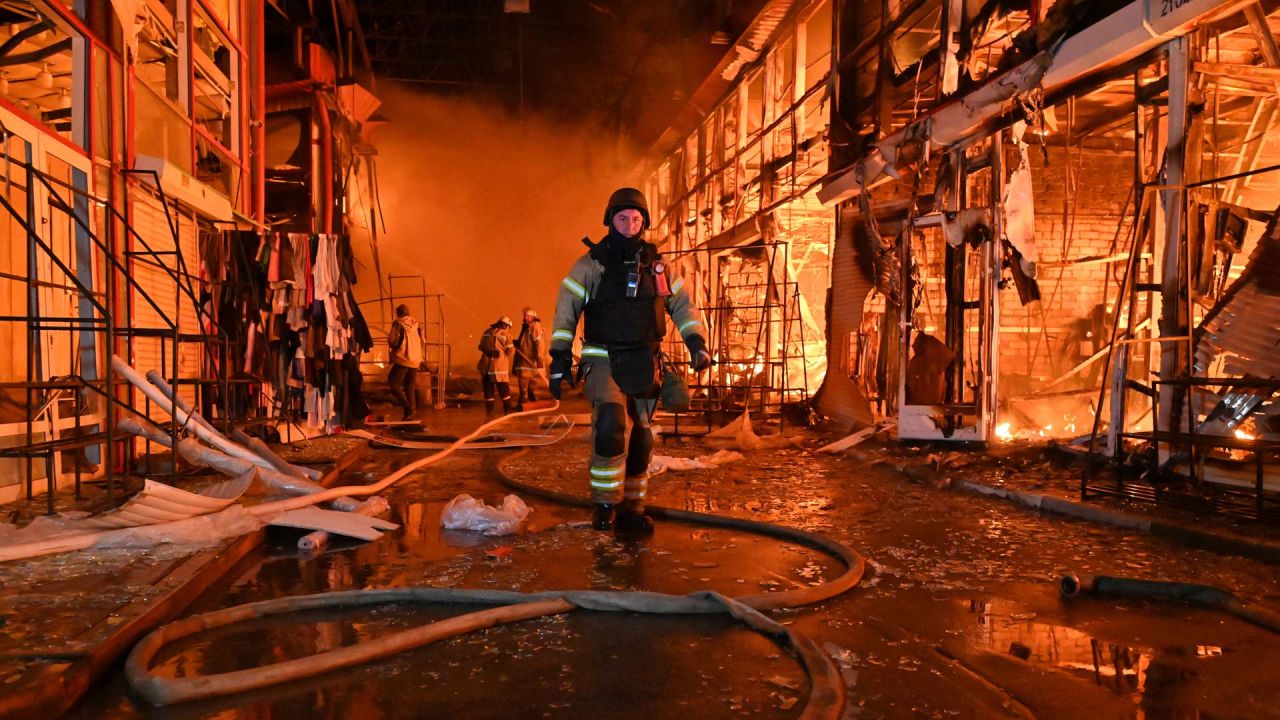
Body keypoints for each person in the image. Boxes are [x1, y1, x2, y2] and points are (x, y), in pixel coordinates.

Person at [549, 187, 711, 536]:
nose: (630, 223)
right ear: (610, 220)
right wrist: (559, 356)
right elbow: (567, 310)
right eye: (623, 217)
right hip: (602, 356)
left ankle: (633, 506)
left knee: (641, 435)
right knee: (610, 425)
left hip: (645, 358)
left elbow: (682, 306)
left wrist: (696, 342)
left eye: (636, 218)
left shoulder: (658, 266)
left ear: (644, 222)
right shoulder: (591, 264)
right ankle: (605, 504)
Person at [386, 304, 423, 420]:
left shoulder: (398, 323)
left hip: (402, 359)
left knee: (393, 384)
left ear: (398, 313)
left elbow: (392, 341)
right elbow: (422, 341)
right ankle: (411, 413)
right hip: (416, 360)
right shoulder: (417, 324)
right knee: (409, 386)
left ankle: (407, 408)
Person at [477, 316, 515, 416]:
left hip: (485, 367)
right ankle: (508, 411)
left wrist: (489, 351)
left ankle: (489, 413)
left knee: (488, 391)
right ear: (507, 326)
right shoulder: (506, 335)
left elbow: (480, 346)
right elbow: (510, 352)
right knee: (504, 390)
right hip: (499, 368)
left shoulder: (487, 332)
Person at [513, 307, 545, 410]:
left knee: (523, 387)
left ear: (533, 317)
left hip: (527, 362)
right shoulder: (527, 327)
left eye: (527, 316)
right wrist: (516, 343)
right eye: (524, 316)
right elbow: (526, 343)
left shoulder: (534, 326)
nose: (525, 318)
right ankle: (535, 405)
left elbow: (539, 343)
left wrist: (539, 358)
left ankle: (524, 406)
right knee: (531, 387)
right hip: (525, 362)